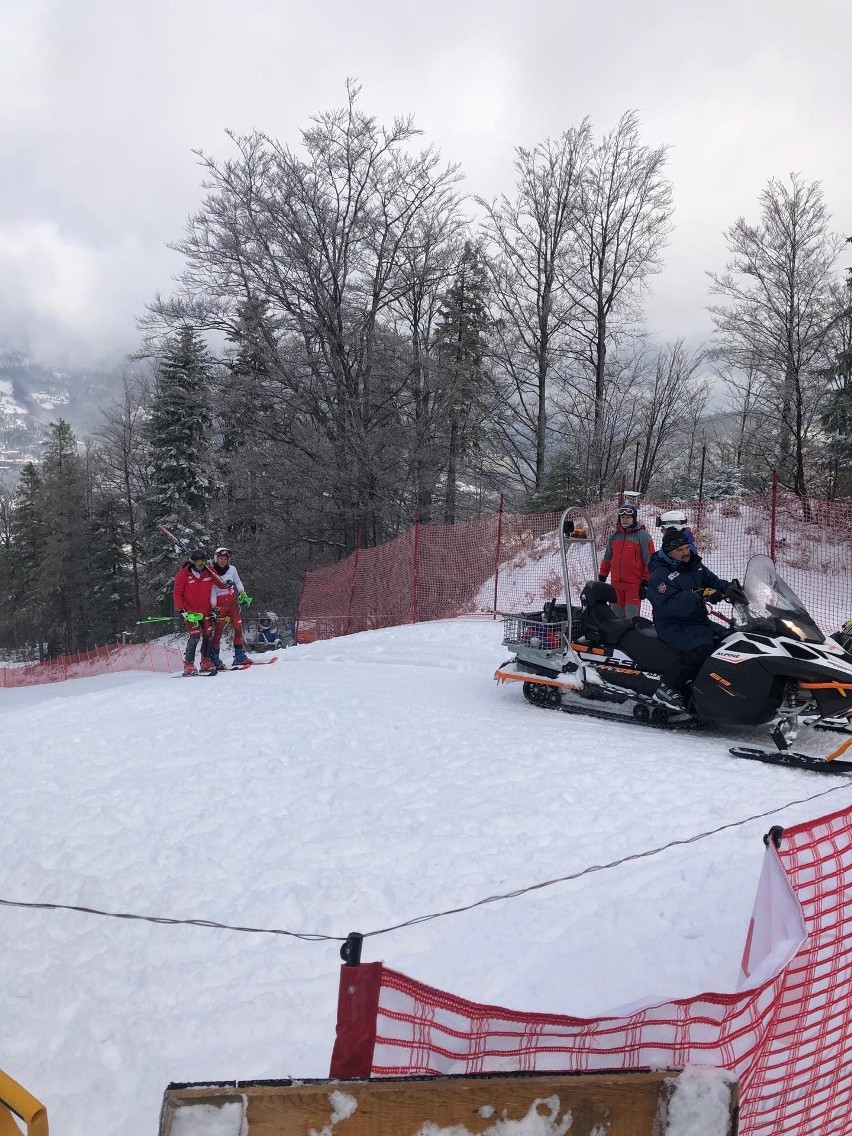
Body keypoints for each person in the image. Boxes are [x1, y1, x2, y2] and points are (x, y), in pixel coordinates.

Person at [646, 527, 735, 711]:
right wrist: (698, 594)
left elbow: (713, 582)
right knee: (702, 646)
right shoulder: (660, 575)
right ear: (668, 551)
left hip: (697, 619)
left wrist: (731, 589)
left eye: (686, 548)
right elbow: (670, 605)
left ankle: (717, 687)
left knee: (729, 639)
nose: (685, 553)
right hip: (673, 624)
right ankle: (667, 687)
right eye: (680, 550)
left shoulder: (695, 565)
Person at [598, 504, 655, 618]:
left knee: (631, 617)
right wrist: (602, 576)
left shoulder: (643, 536)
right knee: (615, 617)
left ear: (634, 518)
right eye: (623, 517)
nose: (625, 520)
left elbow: (649, 561)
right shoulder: (614, 536)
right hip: (616, 585)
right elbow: (607, 558)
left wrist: (645, 582)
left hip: (634, 586)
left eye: (628, 517)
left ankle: (632, 636)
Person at [173, 549, 219, 676]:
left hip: (206, 610)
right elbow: (177, 593)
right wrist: (182, 610)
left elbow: (219, 584)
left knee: (208, 634)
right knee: (195, 635)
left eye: (203, 562)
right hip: (190, 612)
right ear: (192, 562)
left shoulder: (209, 572)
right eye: (198, 562)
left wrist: (226, 583)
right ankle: (188, 664)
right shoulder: (183, 575)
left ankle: (205, 661)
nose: (201, 565)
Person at [208, 546, 253, 668]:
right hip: (219, 603)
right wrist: (213, 607)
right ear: (216, 558)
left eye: (225, 559)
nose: (223, 561)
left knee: (238, 628)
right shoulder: (212, 571)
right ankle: (215, 658)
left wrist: (243, 594)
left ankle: (239, 655)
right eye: (221, 558)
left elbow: (237, 582)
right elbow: (212, 590)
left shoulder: (232, 569)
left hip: (232, 602)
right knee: (218, 632)